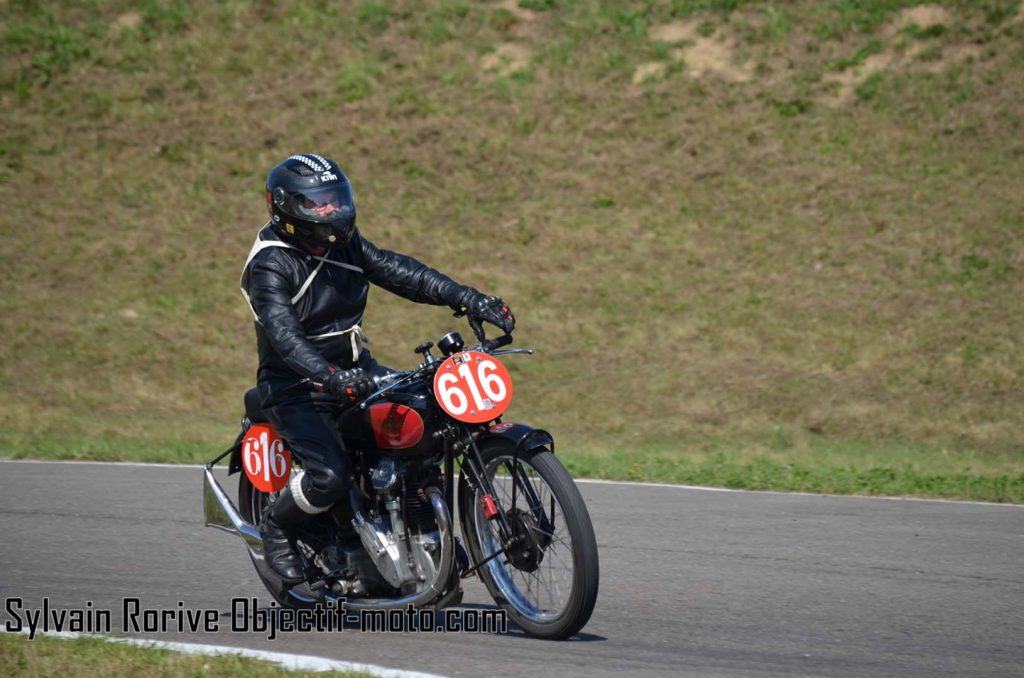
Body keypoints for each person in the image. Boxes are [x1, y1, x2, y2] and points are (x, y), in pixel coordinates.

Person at [240, 153, 515, 582]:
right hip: (296, 386)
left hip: (355, 370)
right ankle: (278, 526)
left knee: (428, 418)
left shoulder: (344, 244)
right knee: (330, 476)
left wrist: (467, 297)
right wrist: (327, 376)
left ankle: (423, 522)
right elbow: (284, 336)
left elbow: (400, 271)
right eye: (319, 203)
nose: (332, 210)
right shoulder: (270, 264)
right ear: (286, 207)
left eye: (335, 199)